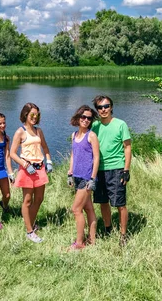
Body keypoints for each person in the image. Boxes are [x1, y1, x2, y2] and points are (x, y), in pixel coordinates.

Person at [90, 95, 132, 246]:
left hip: (117, 168)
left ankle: (123, 234)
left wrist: (126, 170)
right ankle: (108, 228)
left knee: (120, 203)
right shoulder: (94, 126)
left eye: (106, 106)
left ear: (111, 107)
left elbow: (127, 147)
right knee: (103, 202)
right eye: (100, 107)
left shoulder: (121, 124)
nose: (103, 110)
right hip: (99, 170)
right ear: (97, 110)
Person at [10, 103, 53, 243]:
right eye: (32, 115)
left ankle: (32, 223)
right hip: (27, 169)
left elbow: (45, 148)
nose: (35, 117)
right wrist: (24, 164)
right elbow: (12, 153)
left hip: (40, 168)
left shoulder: (38, 131)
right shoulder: (20, 132)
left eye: (37, 115)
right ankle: (29, 231)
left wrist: (49, 161)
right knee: (27, 200)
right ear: (25, 115)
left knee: (39, 199)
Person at [67, 105, 99, 250]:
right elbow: (73, 155)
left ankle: (79, 243)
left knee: (76, 209)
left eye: (89, 118)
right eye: (83, 117)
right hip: (77, 176)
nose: (86, 120)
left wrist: (93, 178)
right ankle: (92, 240)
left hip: (87, 178)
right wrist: (70, 172)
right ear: (78, 117)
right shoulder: (74, 135)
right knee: (89, 209)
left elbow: (97, 158)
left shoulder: (91, 136)